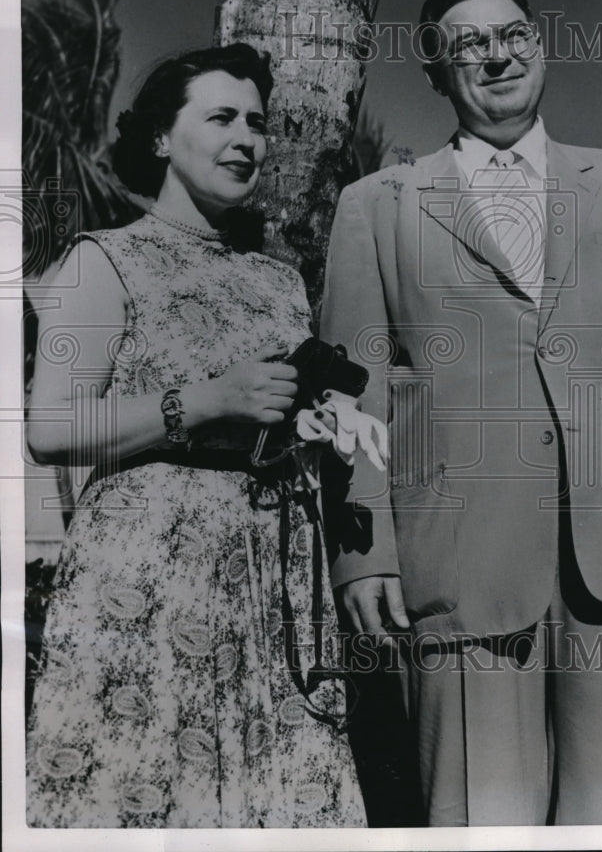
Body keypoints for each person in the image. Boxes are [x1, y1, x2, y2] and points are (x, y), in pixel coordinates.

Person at [320, 0, 602, 826]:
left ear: (539, 45)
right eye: (468, 44)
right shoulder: (377, 207)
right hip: (458, 565)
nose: (497, 55)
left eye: (513, 34)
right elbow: (349, 394)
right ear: (436, 71)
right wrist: (366, 554)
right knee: (482, 822)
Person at [26, 44, 366, 828]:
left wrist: (314, 424)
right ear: (158, 139)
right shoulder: (99, 261)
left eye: (256, 121)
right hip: (146, 583)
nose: (246, 137)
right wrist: (206, 400)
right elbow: (50, 428)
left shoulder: (277, 279)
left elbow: (270, 418)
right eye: (220, 118)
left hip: (274, 582)